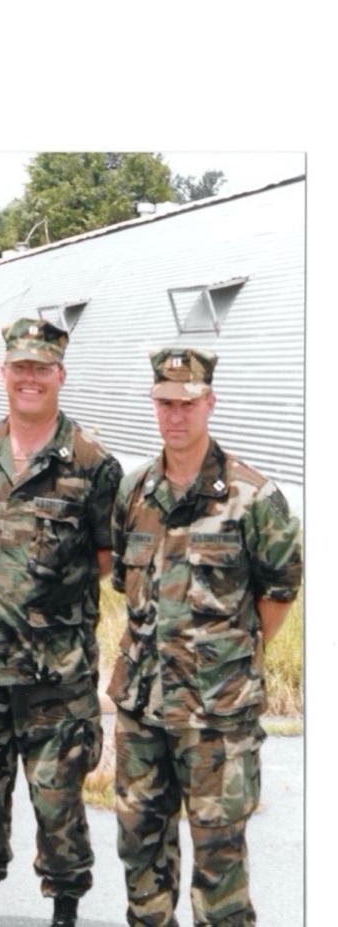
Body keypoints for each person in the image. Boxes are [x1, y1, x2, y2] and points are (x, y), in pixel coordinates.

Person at [108, 347, 302, 926]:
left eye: (187, 403)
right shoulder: (135, 491)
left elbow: (280, 591)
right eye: (165, 403)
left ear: (208, 403)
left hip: (218, 717)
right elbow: (127, 583)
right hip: (142, 709)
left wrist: (226, 659)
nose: (175, 415)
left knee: (220, 866)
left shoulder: (253, 498)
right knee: (141, 853)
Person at [0, 317, 123, 927]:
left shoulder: (92, 462)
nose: (29, 378)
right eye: (19, 367)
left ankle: (65, 911)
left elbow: (106, 557)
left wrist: (46, 606)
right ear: (4, 373)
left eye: (40, 368)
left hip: (58, 671)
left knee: (58, 801)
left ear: (60, 375)